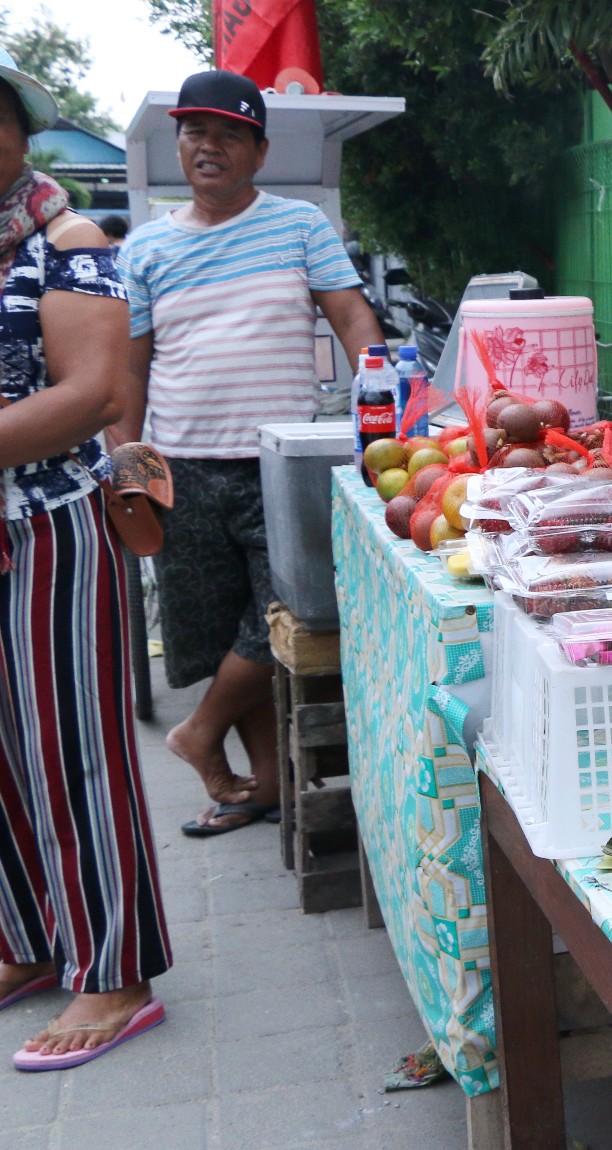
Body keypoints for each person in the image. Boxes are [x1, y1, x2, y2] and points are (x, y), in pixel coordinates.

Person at [116, 71, 381, 836]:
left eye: (229, 133)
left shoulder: (298, 226)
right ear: (179, 146)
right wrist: (128, 472)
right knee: (214, 629)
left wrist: (383, 411)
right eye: (195, 132)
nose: (209, 146)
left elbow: (353, 319)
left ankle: (196, 735)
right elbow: (130, 368)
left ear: (259, 151)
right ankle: (264, 785)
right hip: (181, 467)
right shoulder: (146, 249)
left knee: (281, 619)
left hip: (279, 466)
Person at [0, 49, 172, 1070]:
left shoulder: (69, 241)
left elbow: (96, 393)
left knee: (73, 750)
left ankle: (114, 971)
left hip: (58, 529)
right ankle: (26, 939)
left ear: (20, 132)